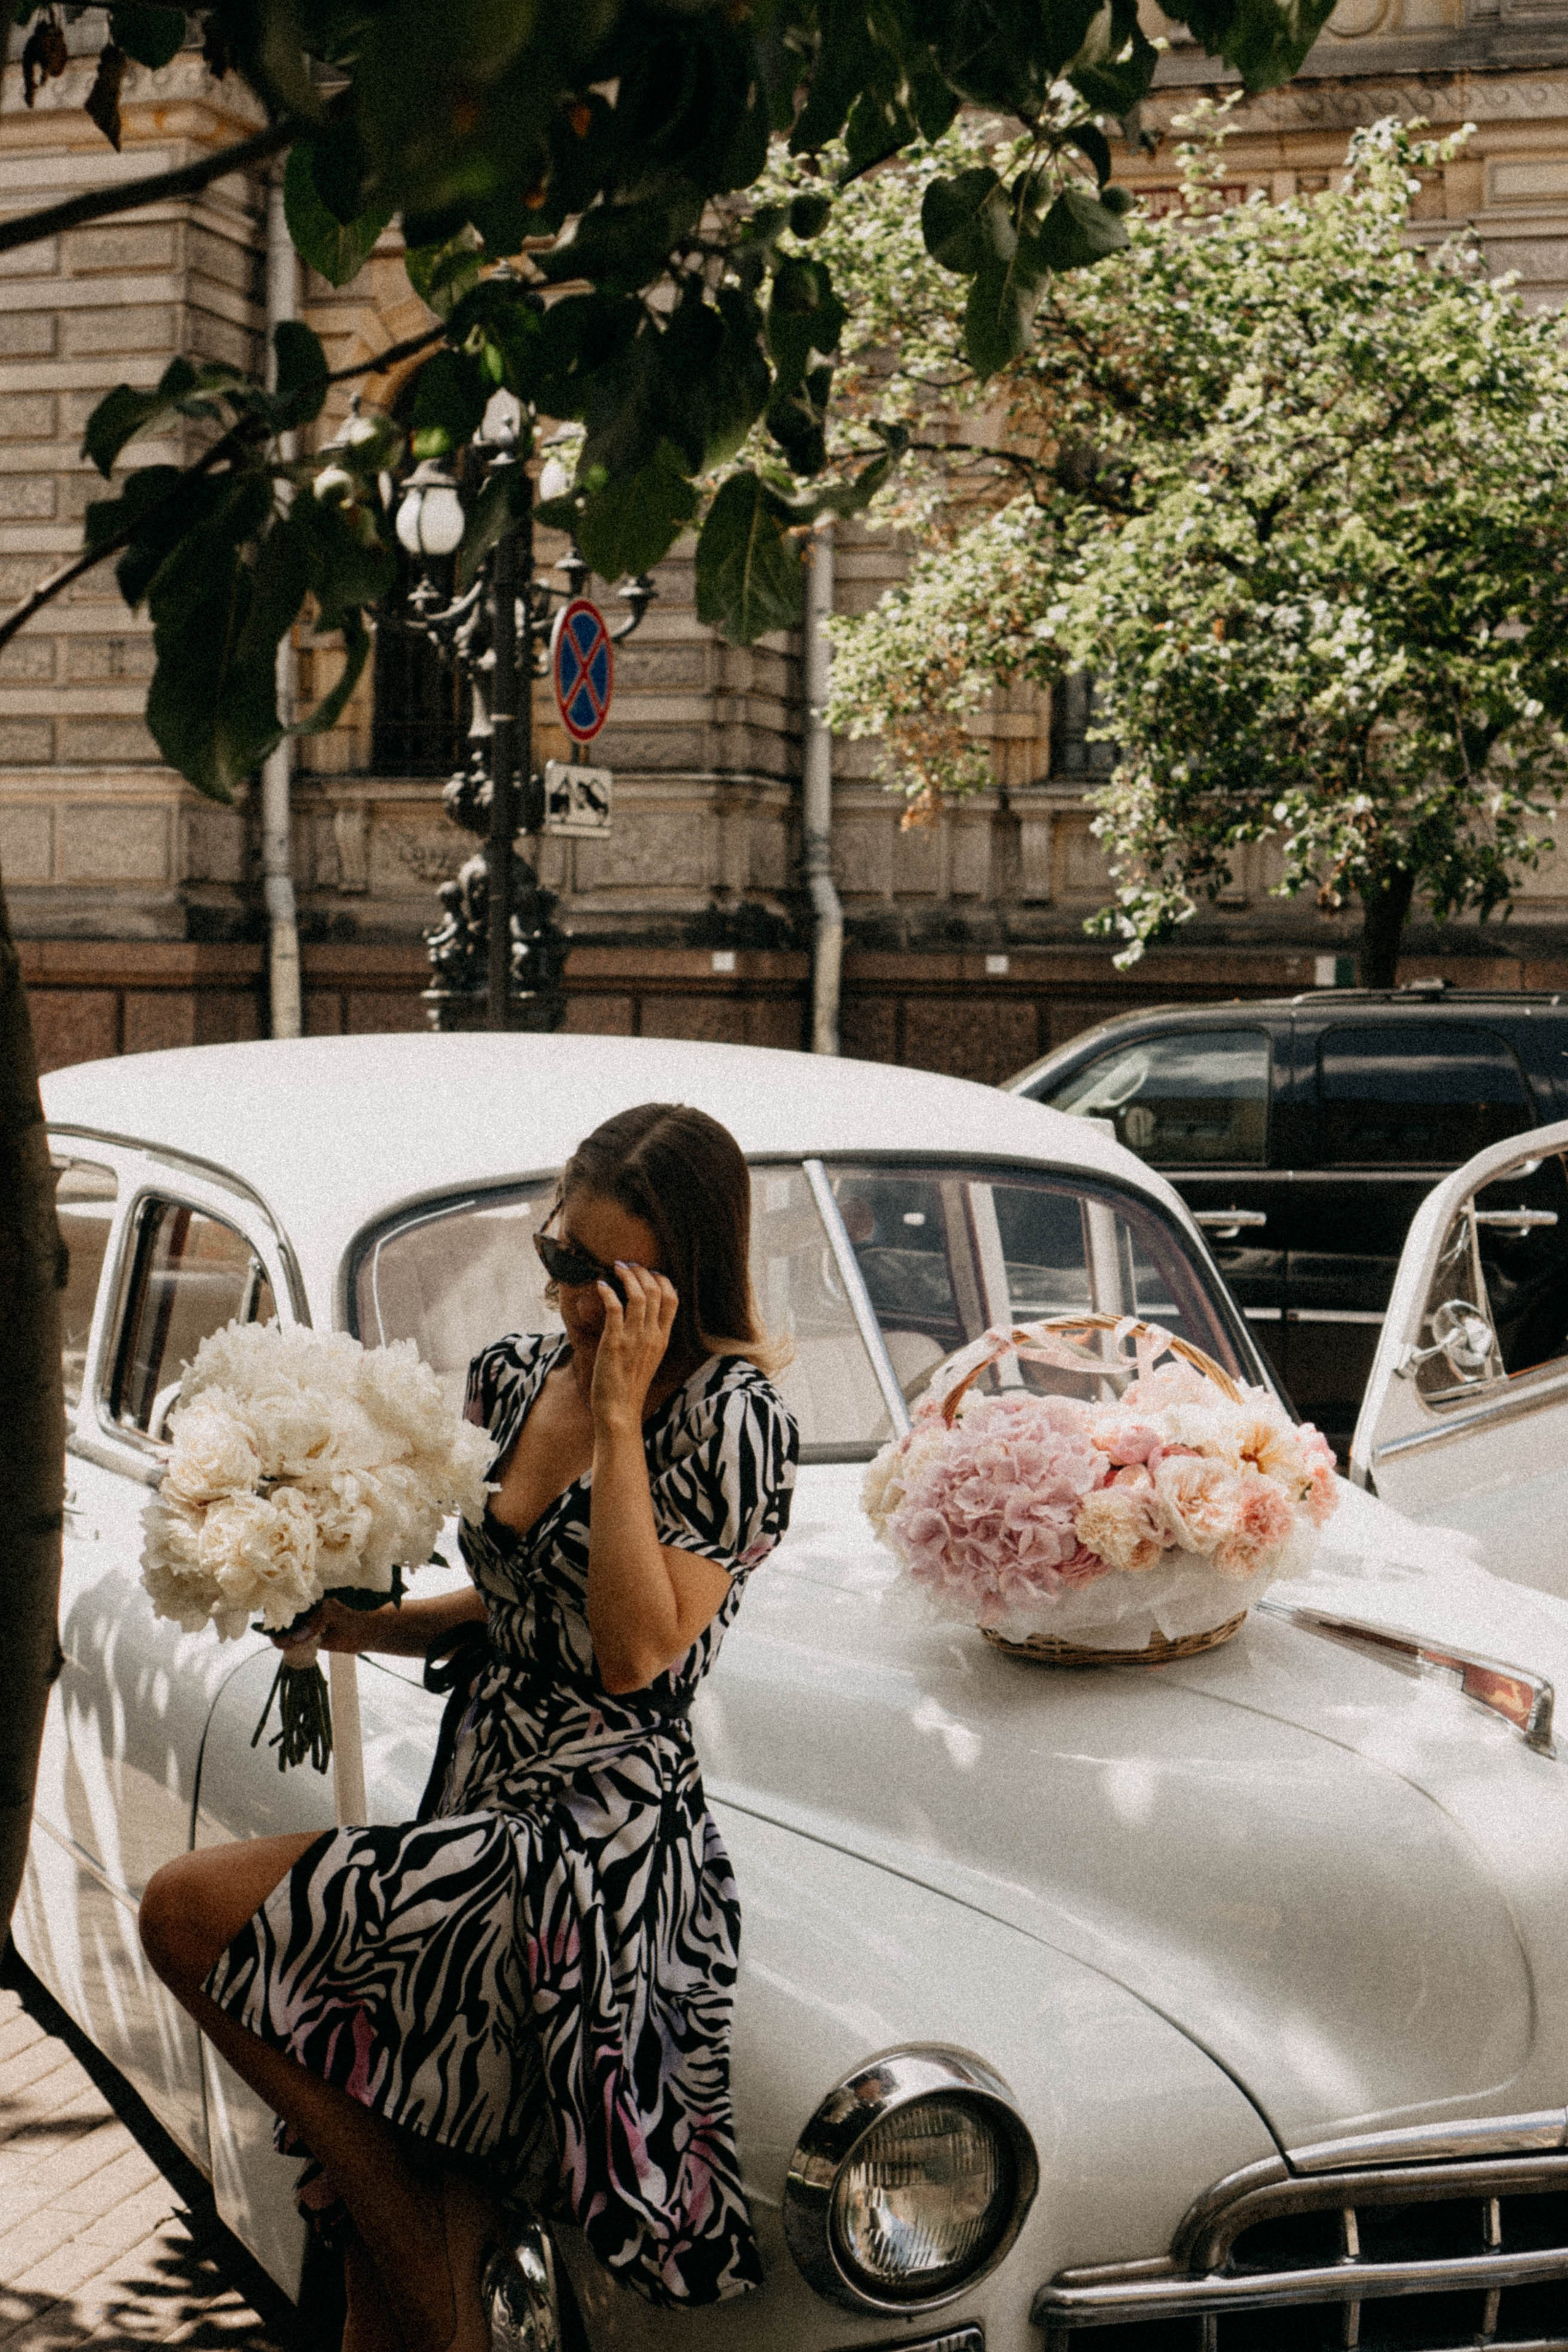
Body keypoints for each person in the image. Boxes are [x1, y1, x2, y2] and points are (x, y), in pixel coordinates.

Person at [139, 1102, 799, 2352]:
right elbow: (506, 1613)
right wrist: (344, 1623)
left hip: (595, 1846)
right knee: (373, 2287)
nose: (573, 1299)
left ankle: (429, 2257)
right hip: (479, 1795)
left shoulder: (729, 1417)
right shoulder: (507, 1374)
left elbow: (632, 1650)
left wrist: (616, 1423)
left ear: (682, 1275)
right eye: (561, 1258)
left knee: (185, 1910)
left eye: (609, 1278)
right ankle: (419, 2254)